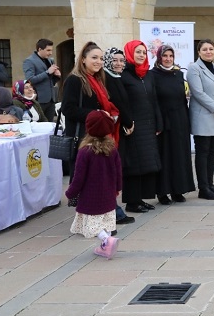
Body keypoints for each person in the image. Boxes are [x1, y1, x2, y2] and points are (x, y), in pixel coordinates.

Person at [65, 110, 122, 260]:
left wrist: (70, 192)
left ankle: (107, 240)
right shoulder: (112, 149)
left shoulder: (85, 151)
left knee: (94, 224)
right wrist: (117, 187)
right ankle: (106, 247)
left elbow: (79, 177)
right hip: (108, 194)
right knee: (106, 221)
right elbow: (118, 171)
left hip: (91, 197)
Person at [62, 42, 121, 180]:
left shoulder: (98, 80)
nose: (98, 61)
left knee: (98, 177)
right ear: (83, 59)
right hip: (82, 137)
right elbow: (68, 109)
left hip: (98, 137)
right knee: (81, 177)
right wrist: (97, 115)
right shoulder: (74, 80)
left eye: (101, 58)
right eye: (94, 58)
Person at [119, 40, 163, 213]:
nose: (141, 55)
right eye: (137, 52)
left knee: (146, 163)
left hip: (149, 124)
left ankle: (140, 199)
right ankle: (131, 201)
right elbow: (122, 102)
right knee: (134, 165)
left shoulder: (148, 75)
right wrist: (127, 122)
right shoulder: (124, 75)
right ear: (129, 53)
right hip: (133, 126)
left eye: (143, 52)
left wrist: (158, 121)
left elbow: (154, 100)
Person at [151, 45, 195, 203]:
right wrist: (158, 122)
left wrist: (187, 120)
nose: (168, 59)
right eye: (165, 56)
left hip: (180, 120)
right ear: (159, 57)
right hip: (164, 121)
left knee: (179, 155)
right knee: (165, 156)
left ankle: (178, 190)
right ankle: (163, 192)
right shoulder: (153, 75)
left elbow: (183, 99)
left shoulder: (178, 74)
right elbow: (153, 100)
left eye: (171, 56)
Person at [187, 39, 214, 200]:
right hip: (203, 117)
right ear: (199, 52)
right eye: (204, 49)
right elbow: (198, 93)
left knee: (213, 152)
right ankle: (203, 188)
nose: (208, 52)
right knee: (203, 152)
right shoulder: (194, 68)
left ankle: (210, 184)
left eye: (211, 49)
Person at [101, 48, 136, 224]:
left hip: (120, 130)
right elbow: (118, 104)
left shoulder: (116, 77)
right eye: (115, 60)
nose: (119, 64)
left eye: (122, 60)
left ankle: (114, 209)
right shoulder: (108, 79)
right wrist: (128, 122)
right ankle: (113, 210)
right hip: (113, 132)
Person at [23, 39, 61, 122]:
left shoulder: (50, 60)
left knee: (49, 125)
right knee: (39, 125)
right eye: (48, 50)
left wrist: (57, 76)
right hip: (38, 100)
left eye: (51, 50)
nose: (50, 53)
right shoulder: (29, 61)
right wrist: (47, 72)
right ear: (40, 49)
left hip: (51, 100)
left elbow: (50, 82)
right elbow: (30, 80)